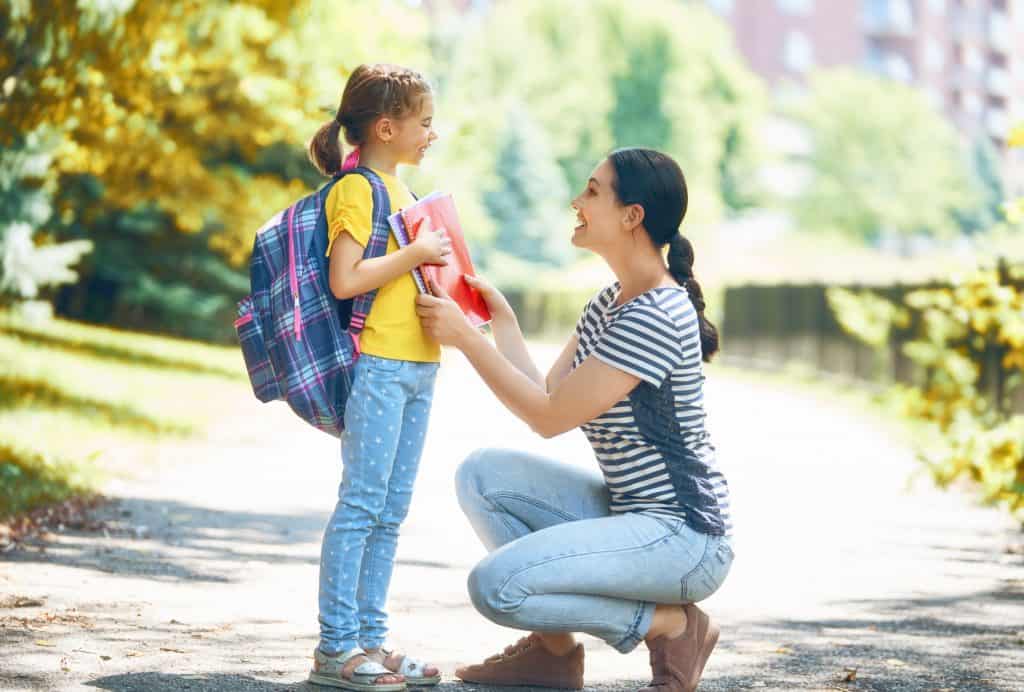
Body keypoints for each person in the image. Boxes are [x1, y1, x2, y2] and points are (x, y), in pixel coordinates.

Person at [416, 148, 734, 692]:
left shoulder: (656, 313)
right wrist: (501, 324)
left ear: (632, 216)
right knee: (482, 476)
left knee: (496, 587)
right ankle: (554, 655)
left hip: (684, 538)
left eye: (592, 191)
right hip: (633, 516)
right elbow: (545, 392)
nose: (576, 201)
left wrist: (466, 340)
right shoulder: (611, 301)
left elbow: (548, 418)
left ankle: (672, 626)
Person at [305, 63, 450, 690]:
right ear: (386, 127)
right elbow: (347, 279)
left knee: (391, 510)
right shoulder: (357, 189)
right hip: (381, 366)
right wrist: (416, 254)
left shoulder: (411, 196)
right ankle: (335, 649)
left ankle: (370, 639)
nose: (432, 135)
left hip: (420, 365)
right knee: (362, 505)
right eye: (424, 122)